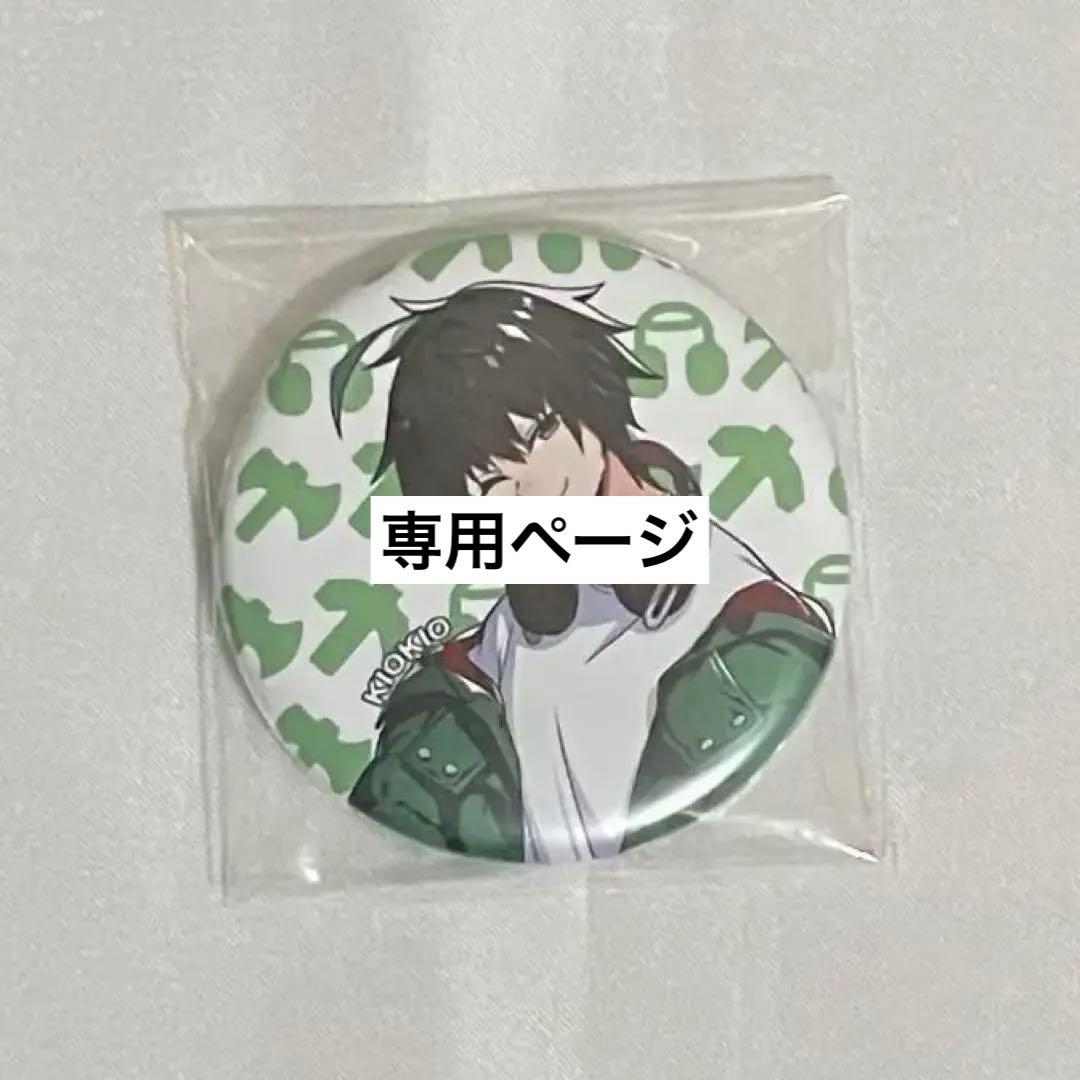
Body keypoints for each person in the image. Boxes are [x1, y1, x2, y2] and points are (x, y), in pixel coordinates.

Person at [330, 281, 834, 862]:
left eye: (534, 438)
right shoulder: (491, 654)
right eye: (485, 483)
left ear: (588, 411)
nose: (520, 490)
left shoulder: (748, 622)